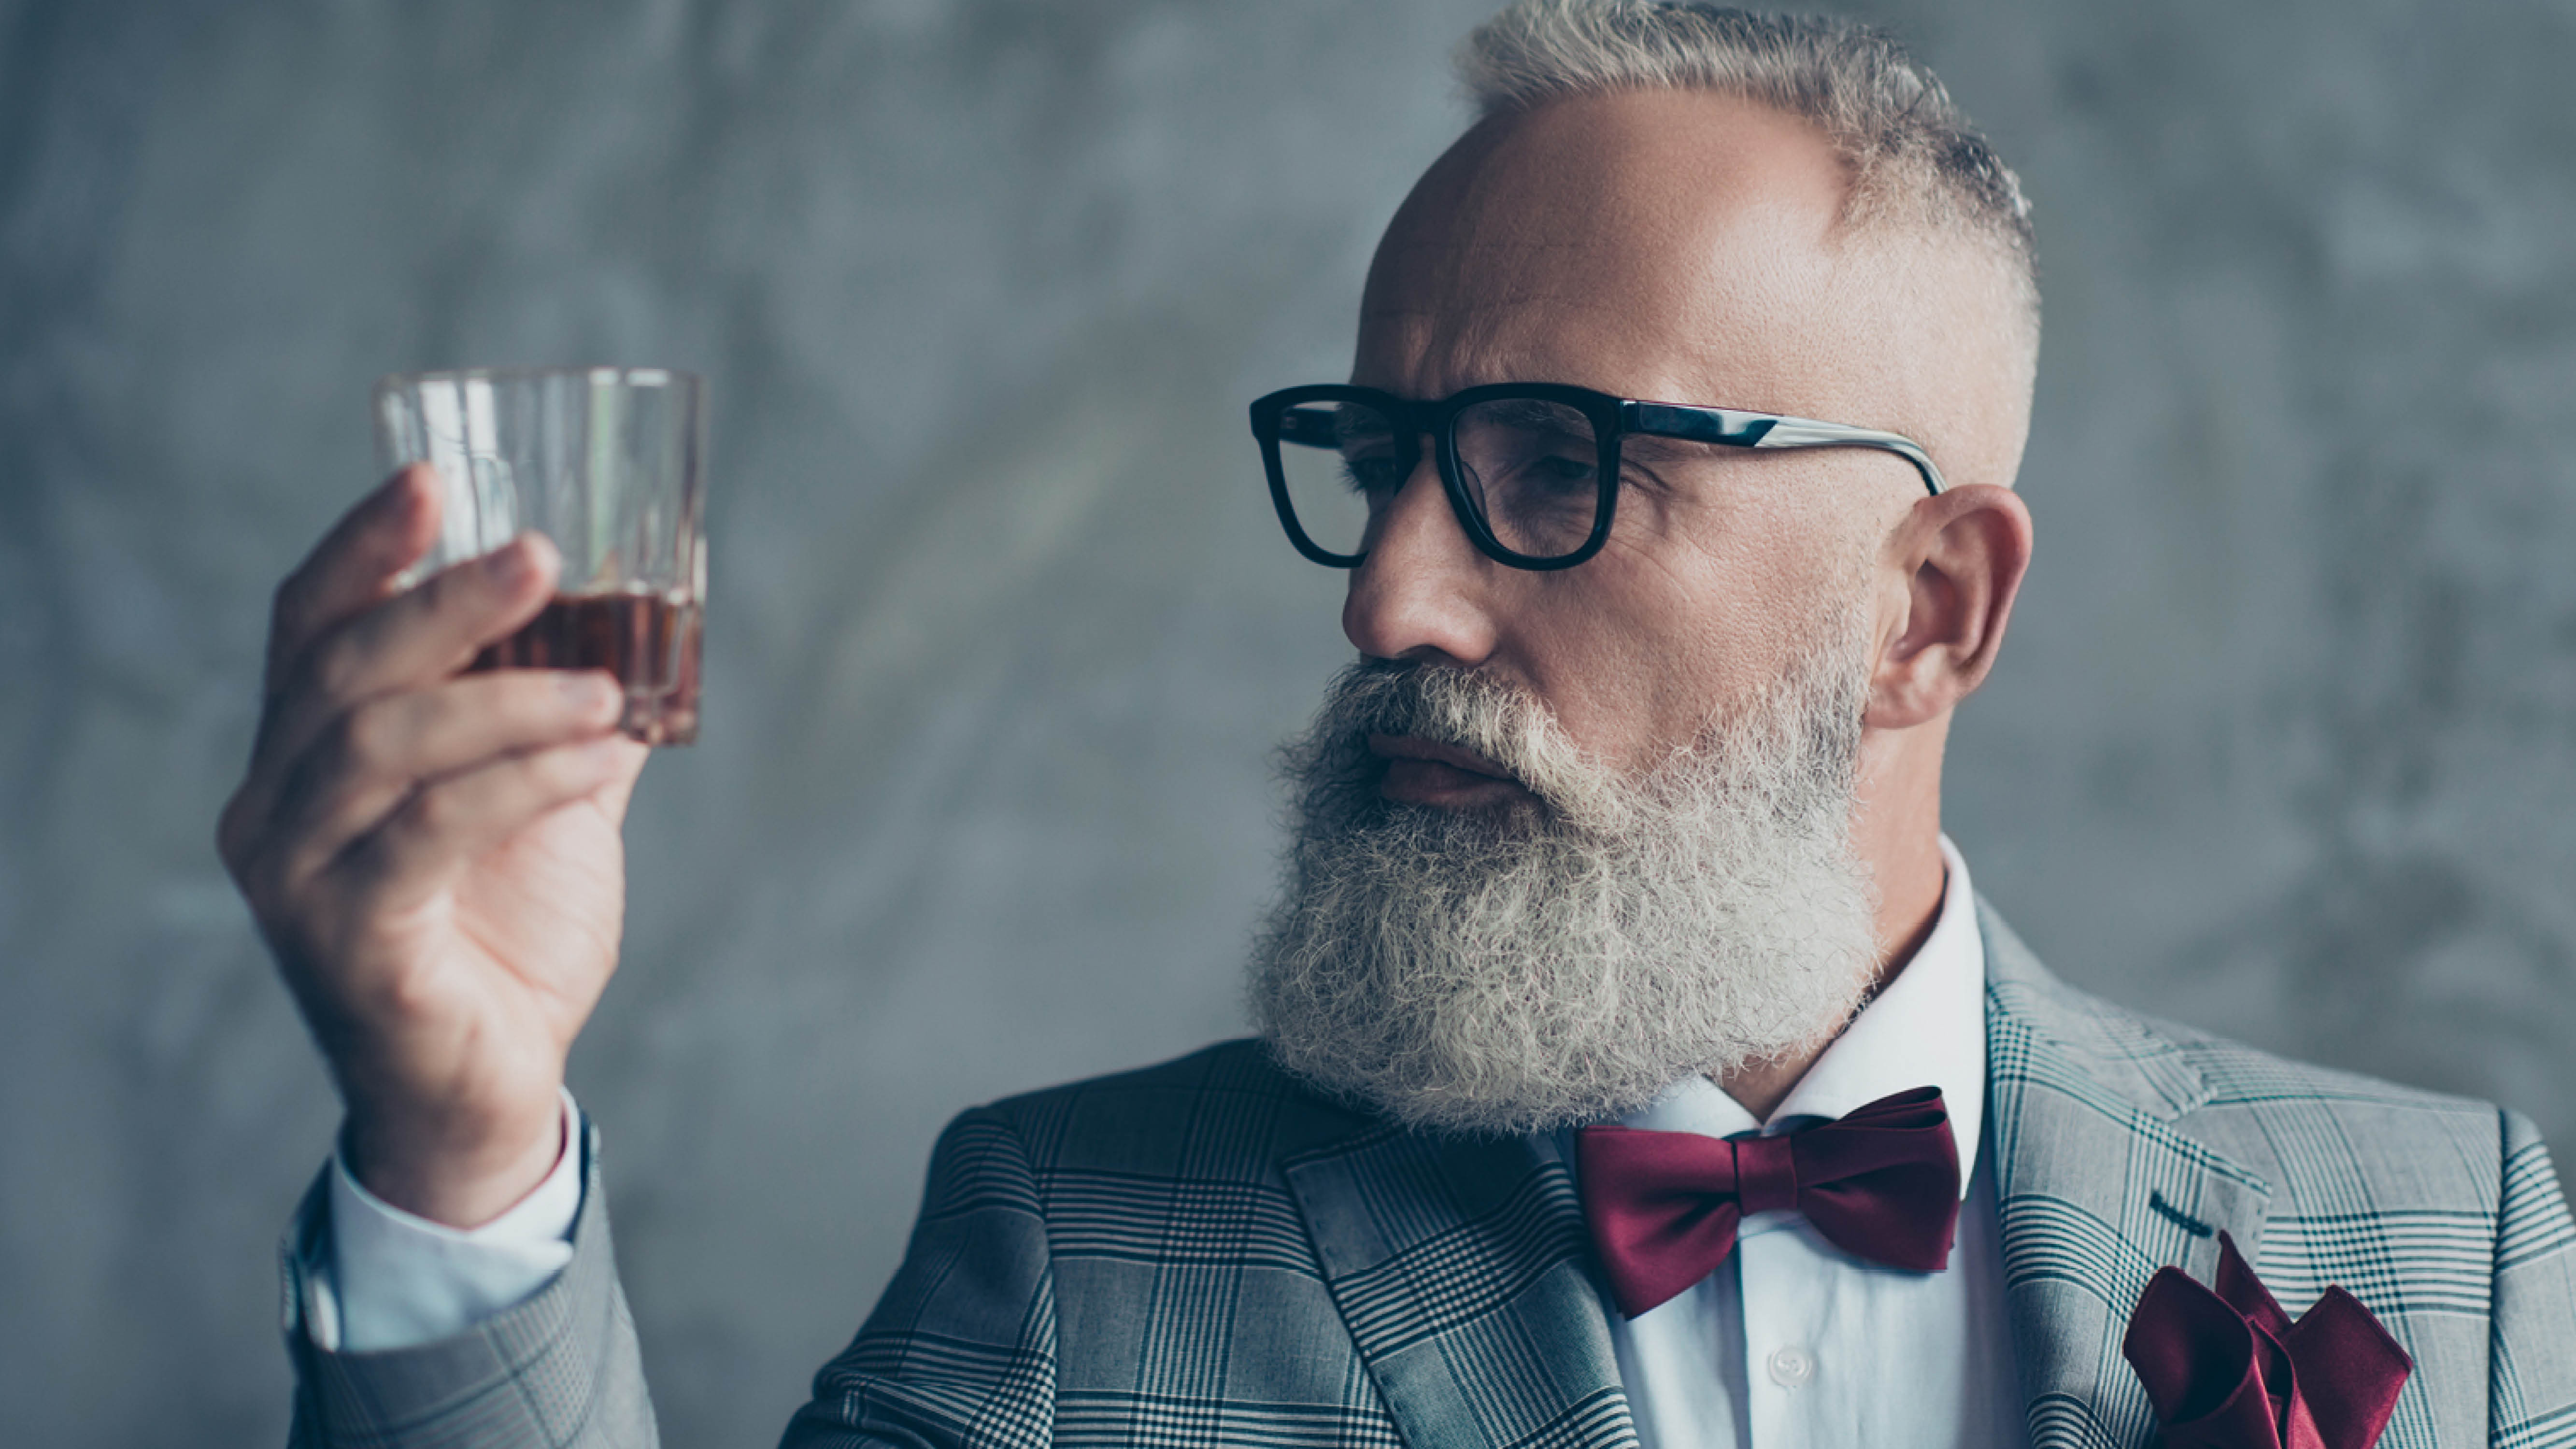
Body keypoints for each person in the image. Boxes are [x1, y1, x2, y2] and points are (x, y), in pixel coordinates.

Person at [219, 3, 2576, 1446]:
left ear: (1925, 609)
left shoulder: (2450, 1253)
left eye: (1554, 468)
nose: (1383, 596)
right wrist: (461, 1145)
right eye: (1379, 466)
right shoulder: (1080, 1254)